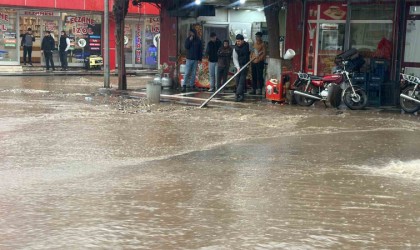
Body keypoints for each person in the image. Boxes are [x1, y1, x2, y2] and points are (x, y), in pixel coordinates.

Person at [233, 34, 250, 102]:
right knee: (237, 81)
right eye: (237, 41)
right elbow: (235, 59)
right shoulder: (235, 49)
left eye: (239, 41)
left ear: (242, 40)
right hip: (238, 66)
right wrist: (238, 67)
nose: (238, 43)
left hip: (245, 65)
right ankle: (241, 95)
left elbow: (250, 54)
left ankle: (238, 94)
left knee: (241, 81)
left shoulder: (247, 46)